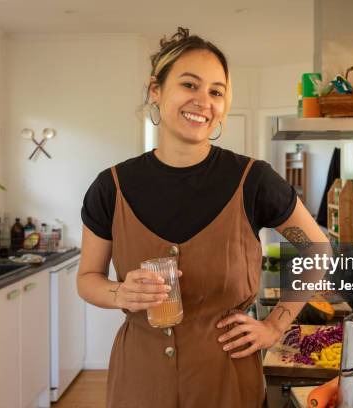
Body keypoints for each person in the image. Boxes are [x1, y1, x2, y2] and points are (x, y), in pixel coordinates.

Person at [78, 27, 330, 408]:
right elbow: (87, 279)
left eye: (216, 91)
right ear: (155, 91)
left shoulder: (254, 181)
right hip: (139, 382)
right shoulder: (110, 187)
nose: (203, 101)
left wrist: (275, 325)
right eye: (189, 85)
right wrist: (120, 293)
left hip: (227, 382)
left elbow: (317, 249)